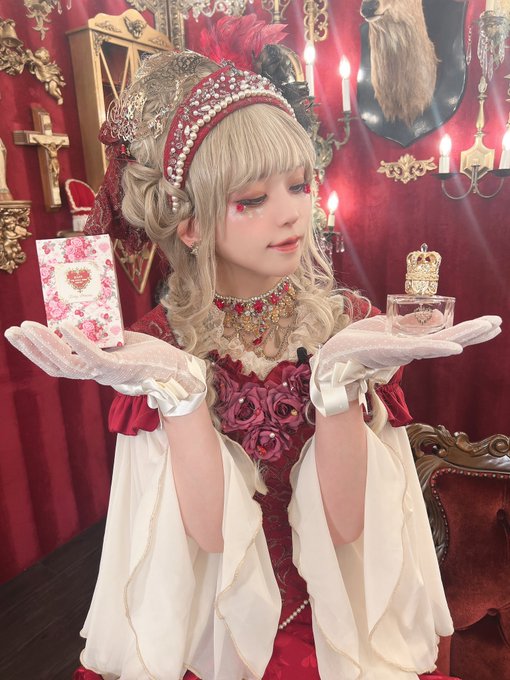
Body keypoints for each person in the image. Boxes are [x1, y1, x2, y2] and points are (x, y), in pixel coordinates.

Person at [5, 38, 501, 680]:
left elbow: (346, 527)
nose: (291, 214)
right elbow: (212, 537)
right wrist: (182, 394)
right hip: (219, 631)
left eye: (298, 185)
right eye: (252, 200)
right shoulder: (161, 346)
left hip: (337, 622)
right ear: (190, 223)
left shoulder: (348, 324)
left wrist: (335, 387)